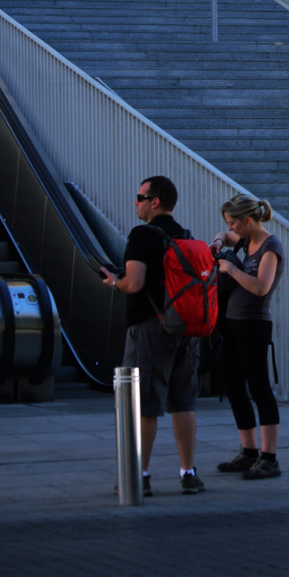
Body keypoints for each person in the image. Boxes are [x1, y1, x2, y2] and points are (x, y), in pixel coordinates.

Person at [100, 175, 205, 495]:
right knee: (183, 403)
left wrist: (113, 282)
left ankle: (139, 477)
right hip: (186, 328)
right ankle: (188, 472)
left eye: (140, 197)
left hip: (149, 329)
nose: (136, 202)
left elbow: (134, 283)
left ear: (154, 201)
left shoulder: (142, 235)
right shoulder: (184, 235)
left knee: (144, 404)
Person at [211, 193, 284, 480]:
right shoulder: (244, 238)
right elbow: (225, 238)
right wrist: (219, 240)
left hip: (254, 325)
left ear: (248, 221)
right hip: (231, 323)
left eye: (232, 224)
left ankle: (269, 458)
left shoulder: (270, 246)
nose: (231, 229)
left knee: (259, 388)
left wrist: (231, 269)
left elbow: (261, 287)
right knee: (233, 386)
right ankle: (248, 451)